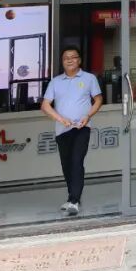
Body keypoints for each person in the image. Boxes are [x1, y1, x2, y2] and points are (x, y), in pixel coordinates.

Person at [41, 46, 103, 216]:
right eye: (65, 58)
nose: (69, 60)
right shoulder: (55, 82)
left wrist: (87, 116)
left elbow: (98, 100)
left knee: (76, 161)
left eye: (73, 57)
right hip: (62, 130)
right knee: (66, 164)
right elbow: (45, 105)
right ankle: (72, 197)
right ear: (62, 62)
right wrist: (61, 119)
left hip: (82, 128)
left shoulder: (89, 78)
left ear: (79, 60)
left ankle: (74, 200)